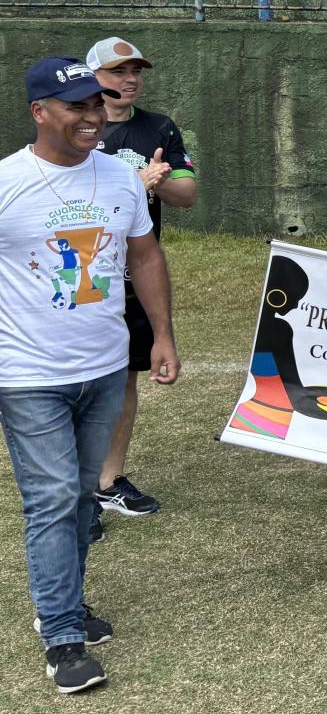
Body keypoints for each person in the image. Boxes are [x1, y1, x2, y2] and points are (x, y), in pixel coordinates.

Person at [2, 57, 178, 693]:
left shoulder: (122, 179)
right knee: (51, 499)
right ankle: (62, 637)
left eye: (96, 105)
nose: (91, 117)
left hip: (104, 367)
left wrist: (161, 333)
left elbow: (144, 253)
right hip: (26, 374)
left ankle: (68, 603)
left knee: (79, 497)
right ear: (39, 113)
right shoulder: (7, 182)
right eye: (76, 106)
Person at [85, 36, 194, 523]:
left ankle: (108, 481)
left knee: (125, 375)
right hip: (85, 274)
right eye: (117, 72)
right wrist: (133, 183)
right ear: (93, 78)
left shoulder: (158, 126)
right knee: (76, 382)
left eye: (136, 71)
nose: (130, 80)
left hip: (136, 274)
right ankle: (75, 495)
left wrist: (159, 182)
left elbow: (187, 194)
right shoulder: (79, 129)